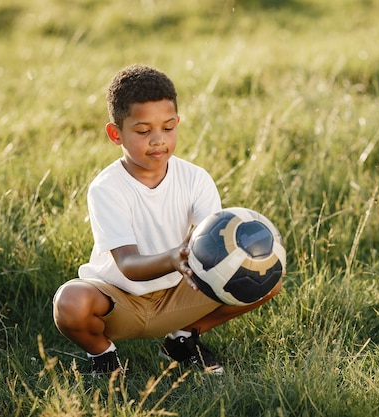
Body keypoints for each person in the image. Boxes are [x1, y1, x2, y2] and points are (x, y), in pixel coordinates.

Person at [52, 64, 282, 376]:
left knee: (266, 277)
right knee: (70, 301)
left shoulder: (195, 178)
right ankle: (104, 357)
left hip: (181, 291)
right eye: (144, 131)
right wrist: (175, 257)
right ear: (115, 133)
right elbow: (129, 266)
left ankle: (183, 337)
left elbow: (213, 238)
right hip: (121, 301)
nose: (158, 140)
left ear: (178, 123)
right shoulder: (107, 188)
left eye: (169, 128)